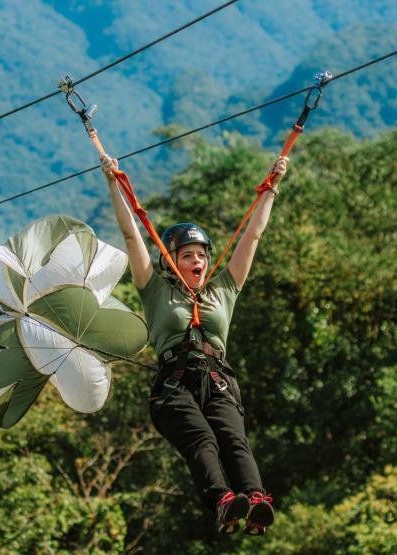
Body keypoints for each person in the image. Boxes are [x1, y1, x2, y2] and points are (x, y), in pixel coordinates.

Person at [100, 152, 288, 535]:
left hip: (217, 379)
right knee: (202, 438)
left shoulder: (224, 289)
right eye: (188, 255)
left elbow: (253, 235)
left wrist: (272, 186)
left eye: (202, 255)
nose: (198, 261)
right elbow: (131, 235)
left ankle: (255, 500)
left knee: (234, 438)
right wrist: (112, 182)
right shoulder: (154, 289)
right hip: (174, 385)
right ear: (172, 262)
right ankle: (222, 501)